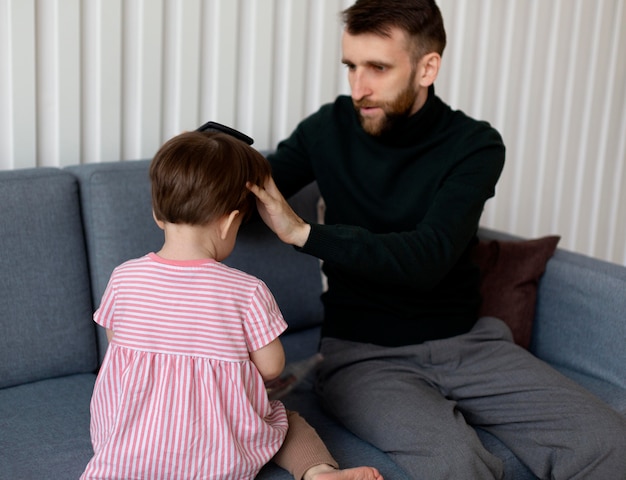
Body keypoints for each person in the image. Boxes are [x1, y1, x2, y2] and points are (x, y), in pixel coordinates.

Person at [247, 0, 626, 479]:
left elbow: (429, 256)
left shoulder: (474, 145)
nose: (358, 87)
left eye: (378, 68)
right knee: (456, 466)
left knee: (610, 443)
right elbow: (255, 190)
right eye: (351, 67)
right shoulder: (327, 129)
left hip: (471, 345)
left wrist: (304, 233)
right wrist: (210, 169)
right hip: (363, 356)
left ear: (428, 67)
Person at [80, 130, 383, 480]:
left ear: (157, 214)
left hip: (125, 450)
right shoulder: (247, 291)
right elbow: (271, 368)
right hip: (215, 457)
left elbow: (116, 341)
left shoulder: (123, 277)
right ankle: (318, 472)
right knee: (286, 420)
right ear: (228, 222)